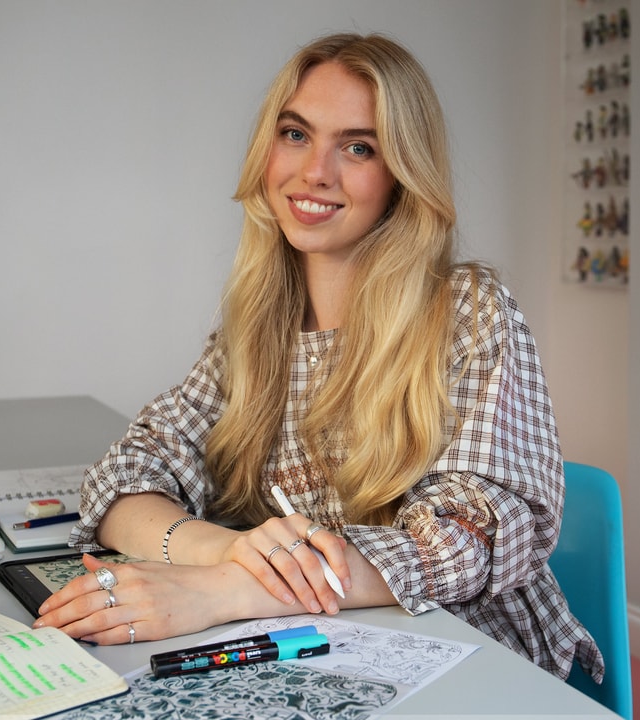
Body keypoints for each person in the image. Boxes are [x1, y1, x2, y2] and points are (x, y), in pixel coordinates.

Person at [34, 32, 603, 683]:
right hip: (326, 646)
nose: (315, 172)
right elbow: (129, 472)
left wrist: (233, 591)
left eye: (358, 147)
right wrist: (226, 551)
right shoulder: (254, 329)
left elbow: (471, 540)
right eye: (296, 134)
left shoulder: (469, 309)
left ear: (402, 176)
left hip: (475, 659)